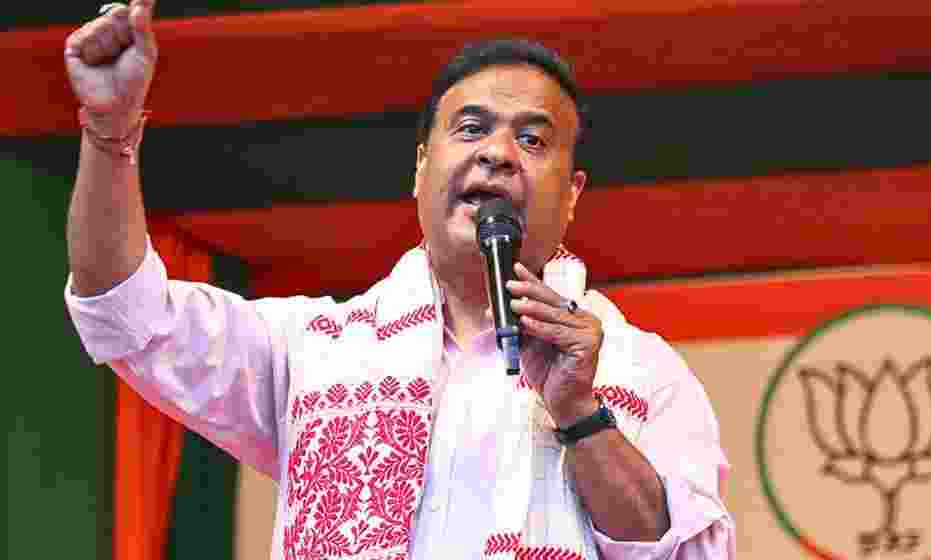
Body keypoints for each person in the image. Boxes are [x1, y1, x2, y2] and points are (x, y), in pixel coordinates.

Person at [63, 1, 736, 558]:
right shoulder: (315, 350)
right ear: (421, 168)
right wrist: (107, 132)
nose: (498, 153)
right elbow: (122, 308)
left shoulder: (642, 369)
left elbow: (687, 552)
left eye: (533, 141)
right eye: (471, 128)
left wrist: (579, 412)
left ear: (572, 193)